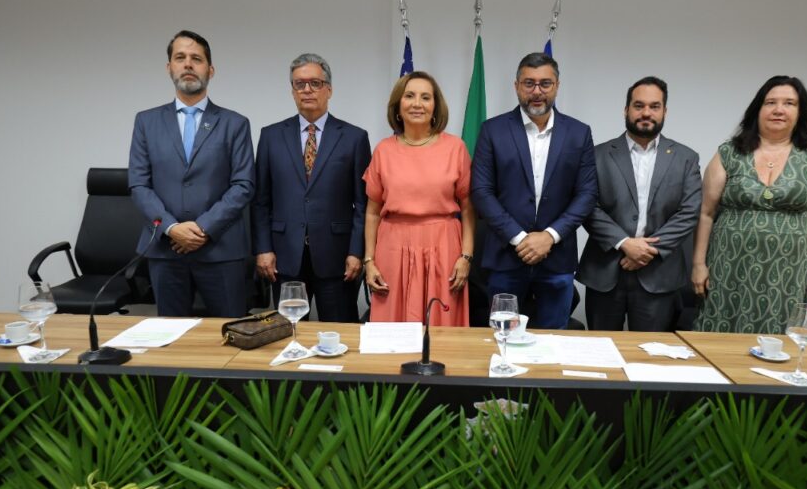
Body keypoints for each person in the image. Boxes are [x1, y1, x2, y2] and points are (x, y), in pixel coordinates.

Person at [692, 75, 807, 334]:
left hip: (787, 272)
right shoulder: (729, 152)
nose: (779, 109)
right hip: (727, 265)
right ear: (757, 109)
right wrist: (699, 264)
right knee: (719, 333)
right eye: (770, 102)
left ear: (801, 112)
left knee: (777, 336)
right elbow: (706, 213)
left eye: (789, 103)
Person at [128, 30, 255, 317]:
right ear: (169, 67)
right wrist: (172, 228)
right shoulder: (146, 122)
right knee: (171, 336)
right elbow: (139, 185)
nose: (188, 64)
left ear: (210, 70)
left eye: (196, 59)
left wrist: (202, 228)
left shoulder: (235, 124)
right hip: (166, 249)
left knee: (230, 332)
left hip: (221, 250)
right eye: (180, 58)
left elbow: (243, 185)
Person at [471, 52, 597, 329]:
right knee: (503, 336)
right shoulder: (493, 130)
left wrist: (549, 236)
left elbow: (587, 194)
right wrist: (520, 238)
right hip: (506, 256)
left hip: (557, 257)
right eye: (529, 83)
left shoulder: (578, 133)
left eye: (545, 83)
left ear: (557, 86)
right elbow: (481, 191)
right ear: (516, 86)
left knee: (555, 339)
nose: (537, 91)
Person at [252, 53, 370, 322]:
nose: (307, 89)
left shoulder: (354, 138)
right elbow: (261, 201)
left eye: (315, 83)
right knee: (288, 331)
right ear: (292, 91)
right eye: (299, 84)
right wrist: (263, 249)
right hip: (284, 257)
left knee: (340, 332)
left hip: (337, 257)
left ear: (329, 89)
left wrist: (356, 252)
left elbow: (363, 204)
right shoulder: (271, 136)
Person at [578, 76, 702, 331]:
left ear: (665, 111)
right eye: (639, 105)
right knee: (600, 349)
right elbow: (587, 206)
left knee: (650, 350)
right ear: (626, 110)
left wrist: (647, 250)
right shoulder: (597, 155)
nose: (646, 113)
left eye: (654, 106)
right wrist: (624, 243)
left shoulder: (686, 158)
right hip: (605, 270)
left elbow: (689, 212)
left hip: (659, 274)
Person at [362, 71, 474, 326]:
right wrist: (369, 260)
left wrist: (466, 257)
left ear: (435, 106)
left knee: (442, 329)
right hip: (393, 249)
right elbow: (372, 212)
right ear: (398, 106)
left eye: (425, 97)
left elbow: (468, 209)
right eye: (409, 96)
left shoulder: (455, 148)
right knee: (393, 332)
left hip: (443, 248)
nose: (417, 103)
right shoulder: (383, 150)